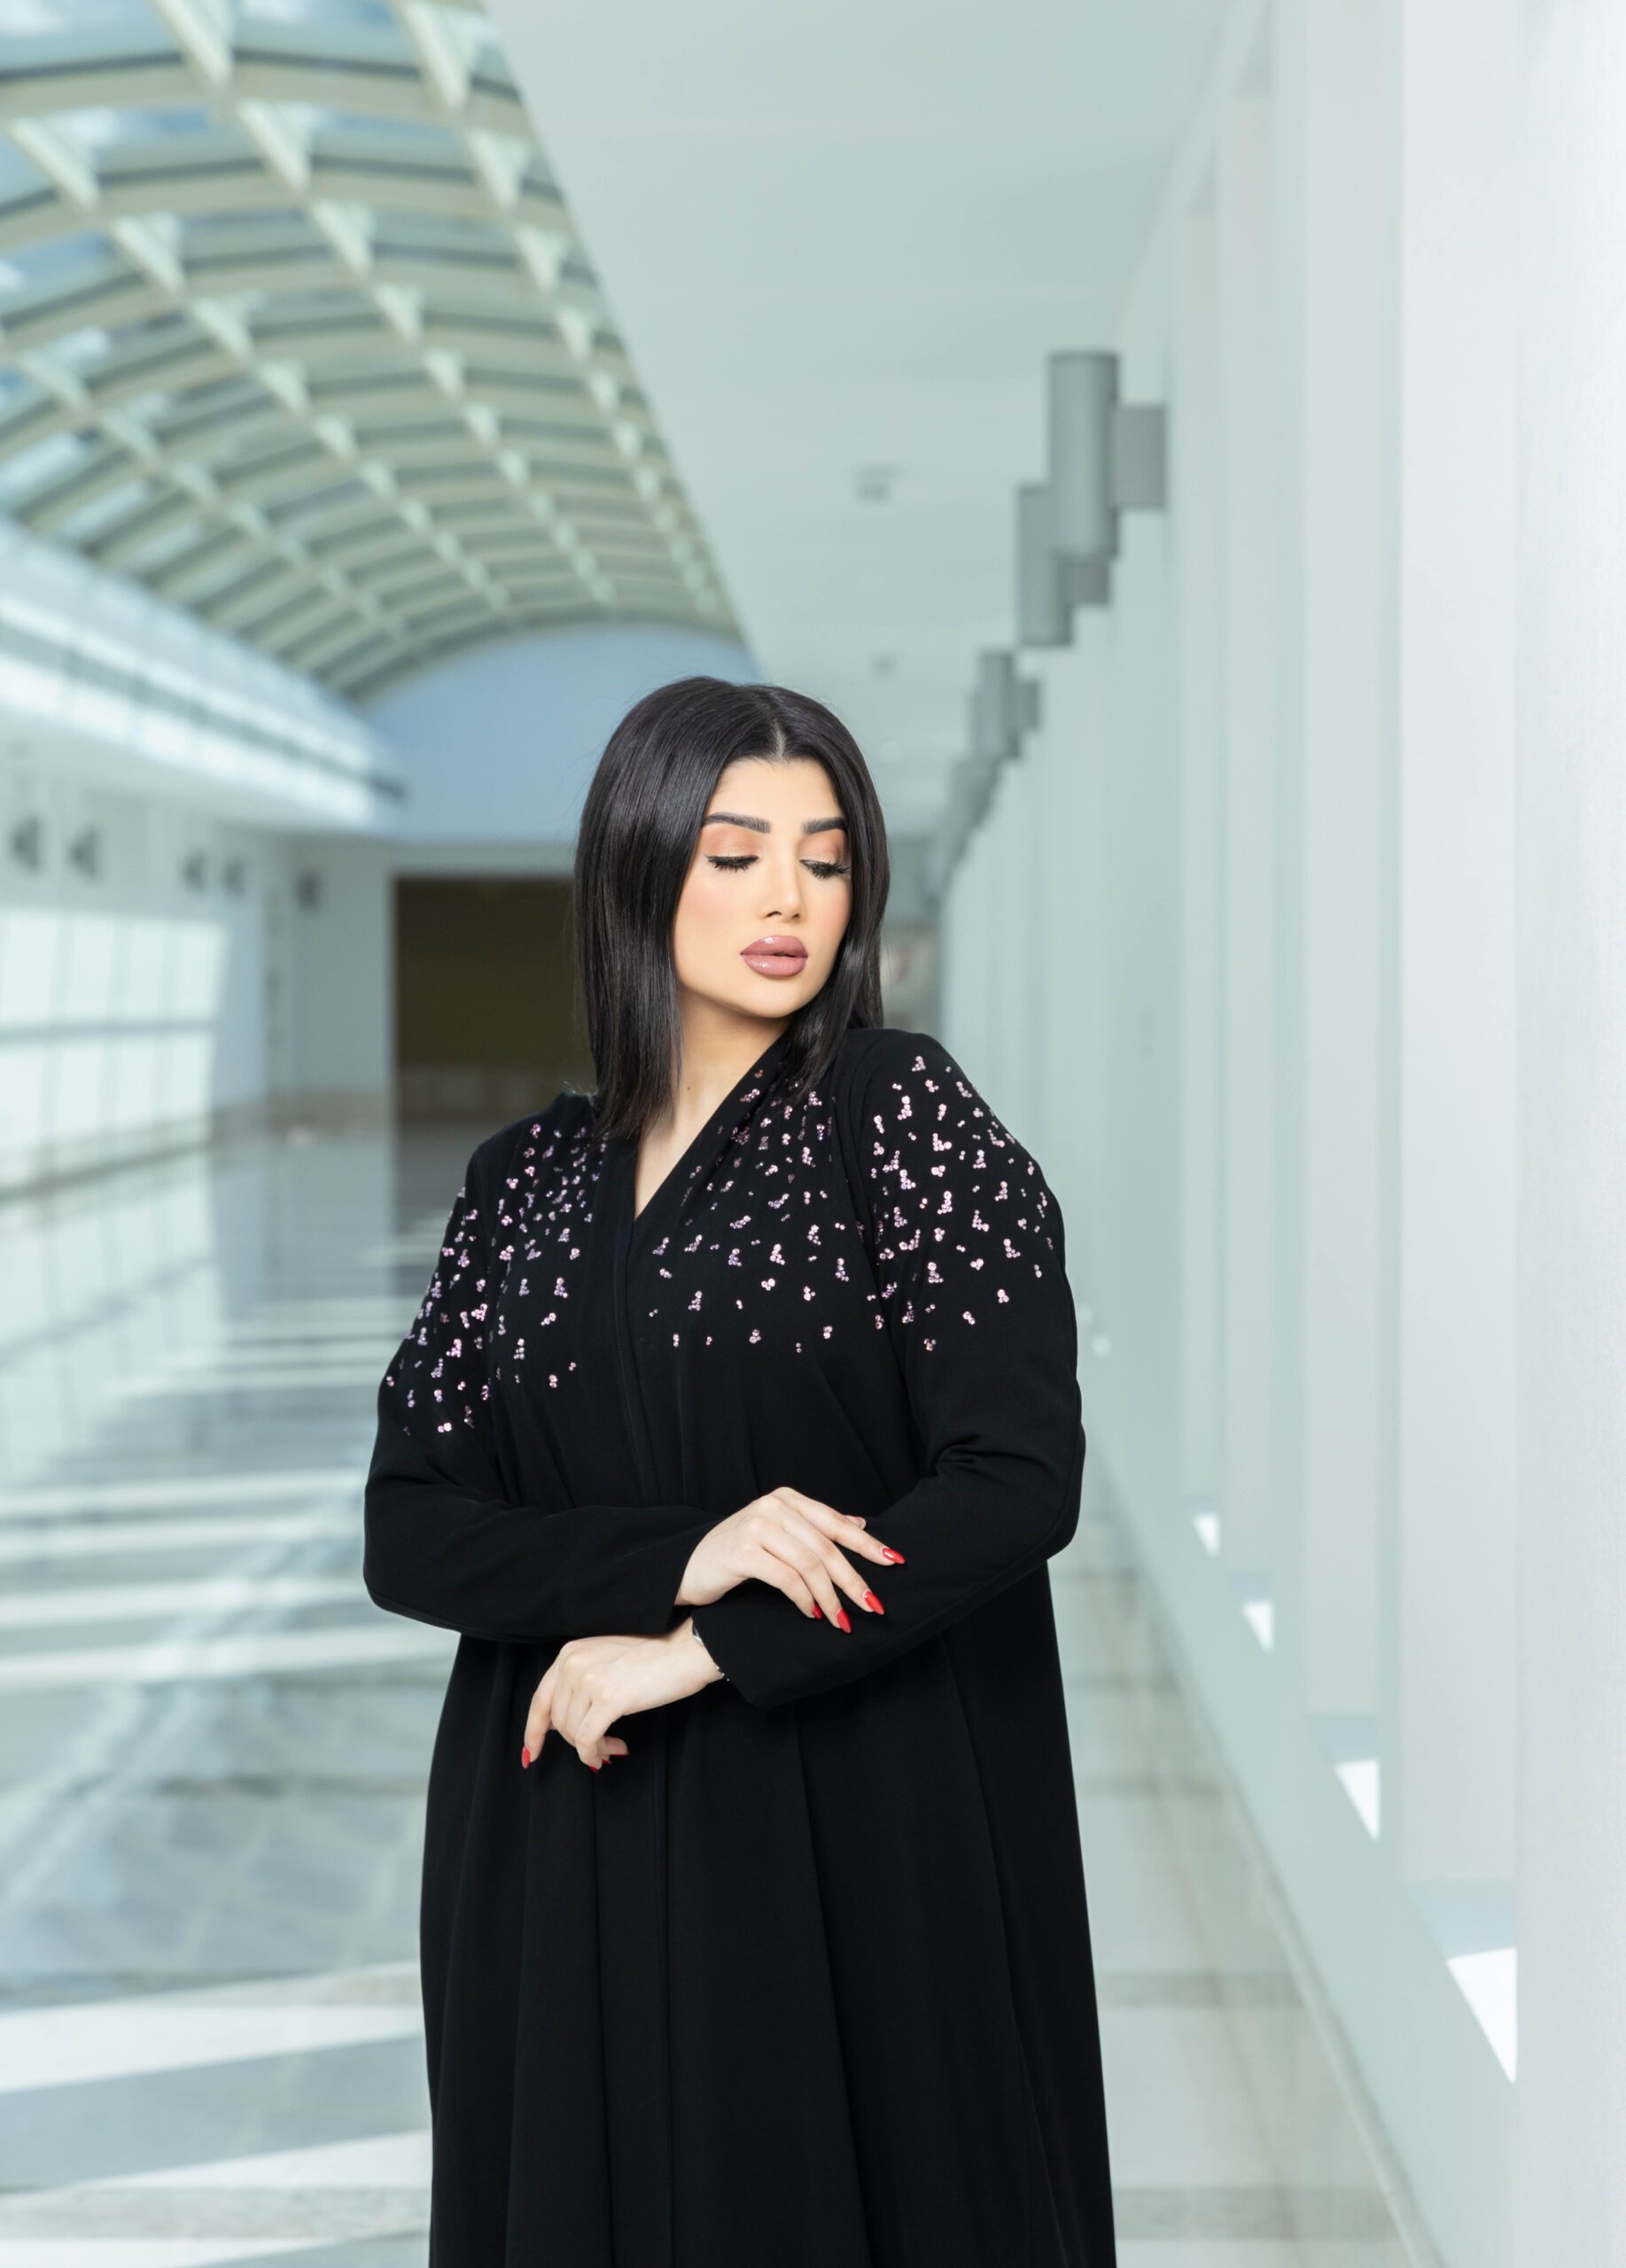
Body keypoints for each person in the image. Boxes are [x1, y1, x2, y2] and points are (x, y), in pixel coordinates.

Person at [362, 675, 1117, 2266]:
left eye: (826, 859)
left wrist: (705, 1648)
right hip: (556, 1831)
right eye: (736, 854)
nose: (789, 898)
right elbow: (412, 1529)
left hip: (846, 1821)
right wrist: (679, 1557)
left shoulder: (897, 1116)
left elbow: (1015, 1477)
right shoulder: (520, 1183)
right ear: (639, 866)